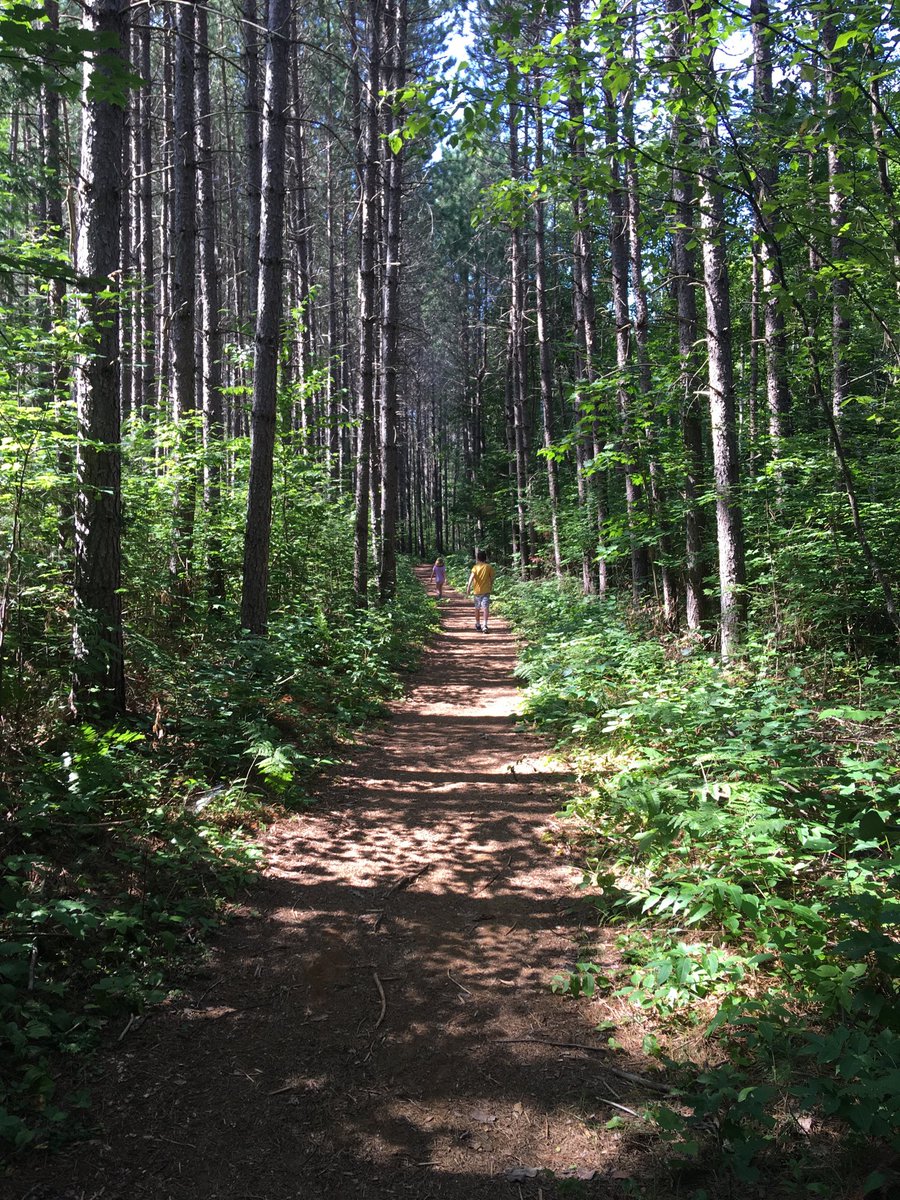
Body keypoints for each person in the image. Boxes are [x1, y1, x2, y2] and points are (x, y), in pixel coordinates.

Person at [465, 549, 494, 633]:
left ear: (477, 558)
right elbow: (492, 578)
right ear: (485, 558)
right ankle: (484, 625)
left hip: (477, 592)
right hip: (486, 591)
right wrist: (491, 586)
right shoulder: (489, 567)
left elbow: (471, 577)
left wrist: (468, 587)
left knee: (477, 608)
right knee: (485, 608)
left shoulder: (475, 567)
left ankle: (478, 624)